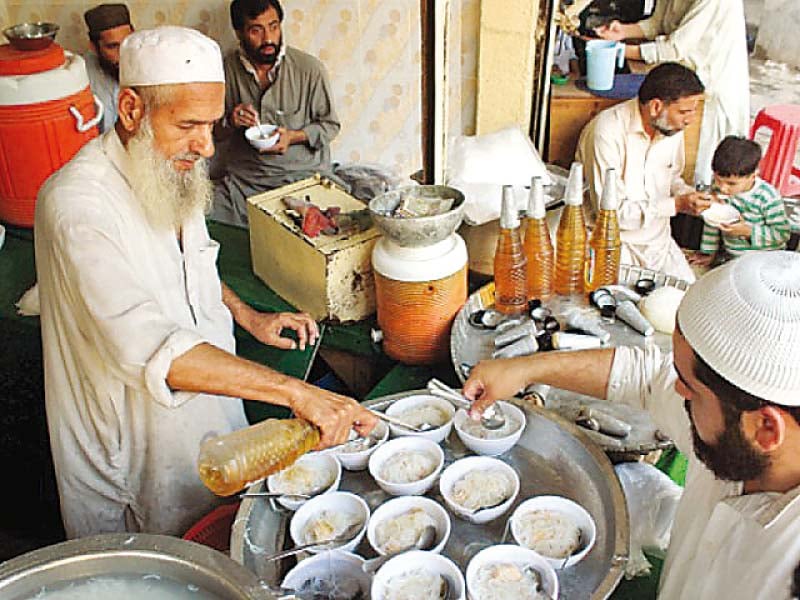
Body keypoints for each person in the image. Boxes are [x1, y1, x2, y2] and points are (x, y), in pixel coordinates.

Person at [34, 26, 376, 539]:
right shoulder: (77, 206)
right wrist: (295, 393)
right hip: (135, 446)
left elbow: (195, 261)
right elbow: (150, 347)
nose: (204, 144)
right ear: (130, 109)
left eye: (211, 125)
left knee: (227, 536)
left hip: (211, 415)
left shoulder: (170, 166)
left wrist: (248, 317)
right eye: (189, 124)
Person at [464, 250, 800, 599]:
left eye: (689, 388)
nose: (675, 389)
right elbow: (648, 376)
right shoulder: (742, 431)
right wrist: (525, 370)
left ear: (767, 429)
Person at [212, 0, 343, 227]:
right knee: (200, 219)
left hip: (303, 178)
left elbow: (330, 126)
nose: (268, 39)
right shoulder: (223, 72)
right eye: (256, 30)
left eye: (273, 26)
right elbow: (213, 133)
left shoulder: (309, 69)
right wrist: (231, 122)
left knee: (325, 226)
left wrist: (293, 136)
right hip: (245, 183)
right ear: (239, 33)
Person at [576, 62, 711, 282]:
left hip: (658, 240)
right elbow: (611, 214)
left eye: (693, 111)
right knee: (622, 306)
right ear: (656, 107)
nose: (690, 120)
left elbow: (672, 177)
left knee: (687, 300)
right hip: (614, 243)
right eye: (685, 112)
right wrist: (676, 205)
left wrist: (689, 196)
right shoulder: (607, 132)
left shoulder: (671, 128)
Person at [594, 0, 750, 188]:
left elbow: (674, 48)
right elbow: (658, 23)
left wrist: (619, 50)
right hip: (683, 80)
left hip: (712, 84)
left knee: (709, 171)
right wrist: (623, 31)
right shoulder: (608, 128)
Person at [692, 136, 790, 267]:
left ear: (753, 175)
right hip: (732, 258)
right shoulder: (717, 190)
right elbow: (712, 223)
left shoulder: (767, 197)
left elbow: (782, 234)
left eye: (731, 184)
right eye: (717, 180)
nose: (722, 187)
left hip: (764, 262)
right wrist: (709, 253)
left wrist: (747, 232)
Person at [83, 3, 134, 133]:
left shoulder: (152, 63)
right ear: (94, 47)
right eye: (112, 46)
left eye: (127, 42)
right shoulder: (81, 75)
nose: (122, 53)